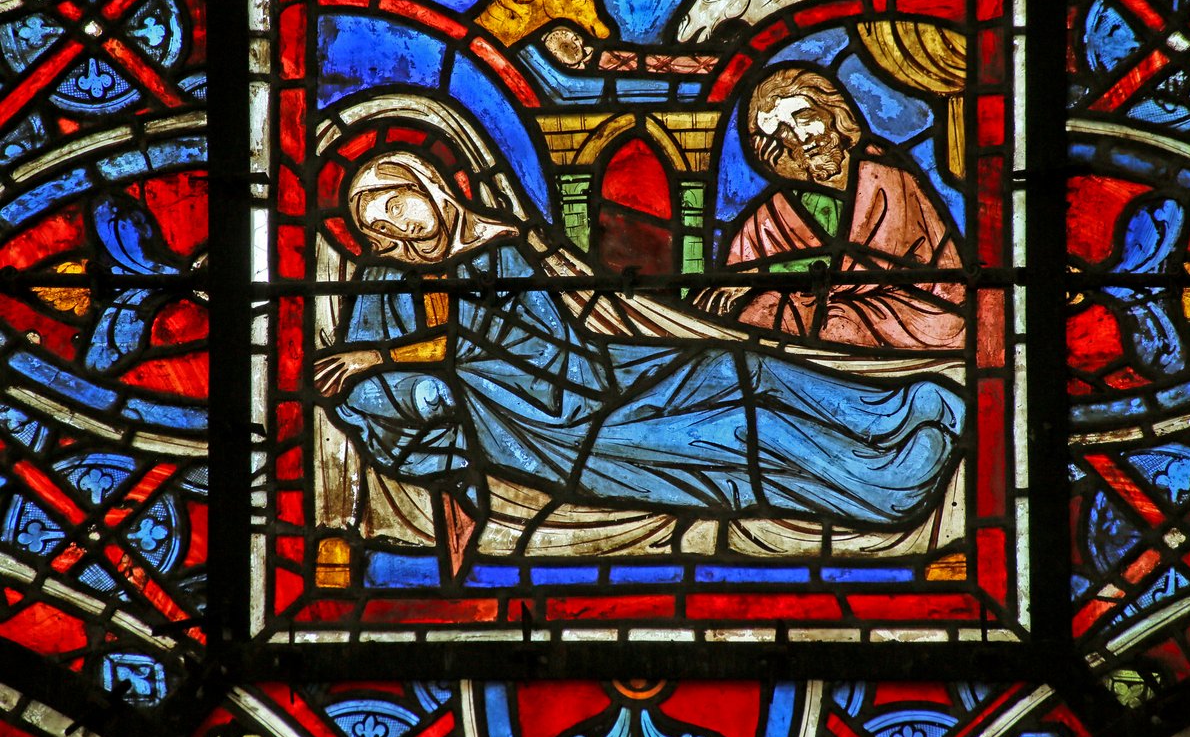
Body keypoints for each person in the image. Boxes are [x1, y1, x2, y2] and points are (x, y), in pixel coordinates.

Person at [314, 148, 966, 573]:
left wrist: (386, 356)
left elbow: (535, 343)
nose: (398, 230)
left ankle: (903, 410)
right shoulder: (383, 281)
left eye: (397, 207)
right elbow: (366, 386)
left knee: (738, 368)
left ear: (428, 185)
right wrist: (402, 373)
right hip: (558, 432)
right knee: (738, 429)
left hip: (597, 373)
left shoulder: (508, 248)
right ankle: (890, 479)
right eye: (380, 229)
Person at [698, 67, 965, 350]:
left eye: (805, 118)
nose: (800, 137)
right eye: (782, 131)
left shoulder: (885, 174)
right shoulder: (780, 206)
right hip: (831, 307)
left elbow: (879, 266)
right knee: (764, 309)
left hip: (913, 309)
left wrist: (765, 275)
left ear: (833, 112)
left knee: (837, 321)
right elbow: (742, 264)